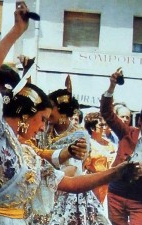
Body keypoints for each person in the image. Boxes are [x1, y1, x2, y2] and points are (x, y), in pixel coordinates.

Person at [0, 3, 142, 225]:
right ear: (27, 115)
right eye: (44, 119)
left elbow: (72, 184)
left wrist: (116, 173)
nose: (44, 127)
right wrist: (17, 31)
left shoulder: (29, 155)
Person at [44, 89, 110, 224]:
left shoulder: (78, 135)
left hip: (68, 192)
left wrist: (45, 183)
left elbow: (71, 170)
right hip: (46, 189)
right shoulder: (44, 130)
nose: (47, 111)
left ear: (61, 111)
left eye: (51, 107)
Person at [100, 69, 142, 225]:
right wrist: (112, 86)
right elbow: (107, 112)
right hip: (116, 193)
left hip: (139, 200)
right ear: (140, 122)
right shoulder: (127, 133)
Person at [84, 112, 117, 204]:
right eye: (101, 125)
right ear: (92, 128)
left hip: (109, 184)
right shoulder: (88, 144)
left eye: (105, 125)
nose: (104, 128)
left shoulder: (110, 144)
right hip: (94, 183)